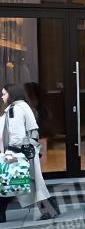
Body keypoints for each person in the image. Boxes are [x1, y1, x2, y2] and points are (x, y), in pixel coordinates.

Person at [0, 84, 59, 222]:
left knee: (10, 180)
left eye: (4, 94)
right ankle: (50, 209)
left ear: (12, 94)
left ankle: (50, 209)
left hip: (18, 152)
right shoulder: (24, 106)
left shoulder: (14, 110)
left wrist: (11, 152)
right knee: (27, 182)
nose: (2, 97)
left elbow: (16, 135)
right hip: (28, 151)